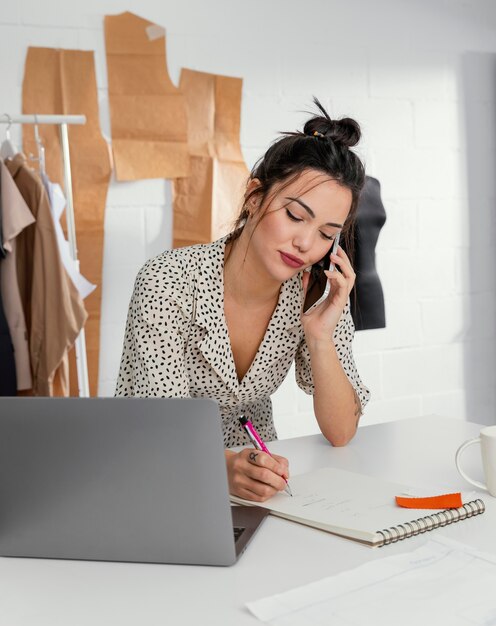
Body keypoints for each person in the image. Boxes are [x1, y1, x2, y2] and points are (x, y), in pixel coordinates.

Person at [116, 98, 370, 502]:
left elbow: (342, 432)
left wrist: (320, 336)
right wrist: (220, 467)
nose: (305, 243)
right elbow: (158, 426)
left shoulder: (315, 294)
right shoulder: (167, 281)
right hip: (156, 475)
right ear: (255, 196)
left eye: (326, 233)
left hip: (255, 483)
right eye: (295, 215)